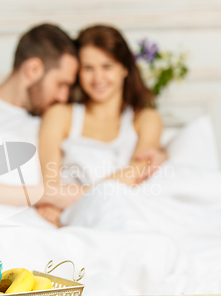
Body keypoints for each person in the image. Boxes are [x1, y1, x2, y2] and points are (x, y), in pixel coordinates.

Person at [0, 23, 167, 218]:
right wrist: (50, 195)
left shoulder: (43, 118)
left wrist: (161, 153)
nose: (64, 96)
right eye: (61, 84)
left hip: (38, 220)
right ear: (33, 70)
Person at [37, 25, 165, 225]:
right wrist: (57, 207)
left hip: (123, 214)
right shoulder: (60, 115)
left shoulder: (146, 118)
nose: (98, 78)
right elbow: (50, 183)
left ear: (124, 68)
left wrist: (78, 198)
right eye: (88, 68)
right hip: (70, 219)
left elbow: (139, 171)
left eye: (107, 66)